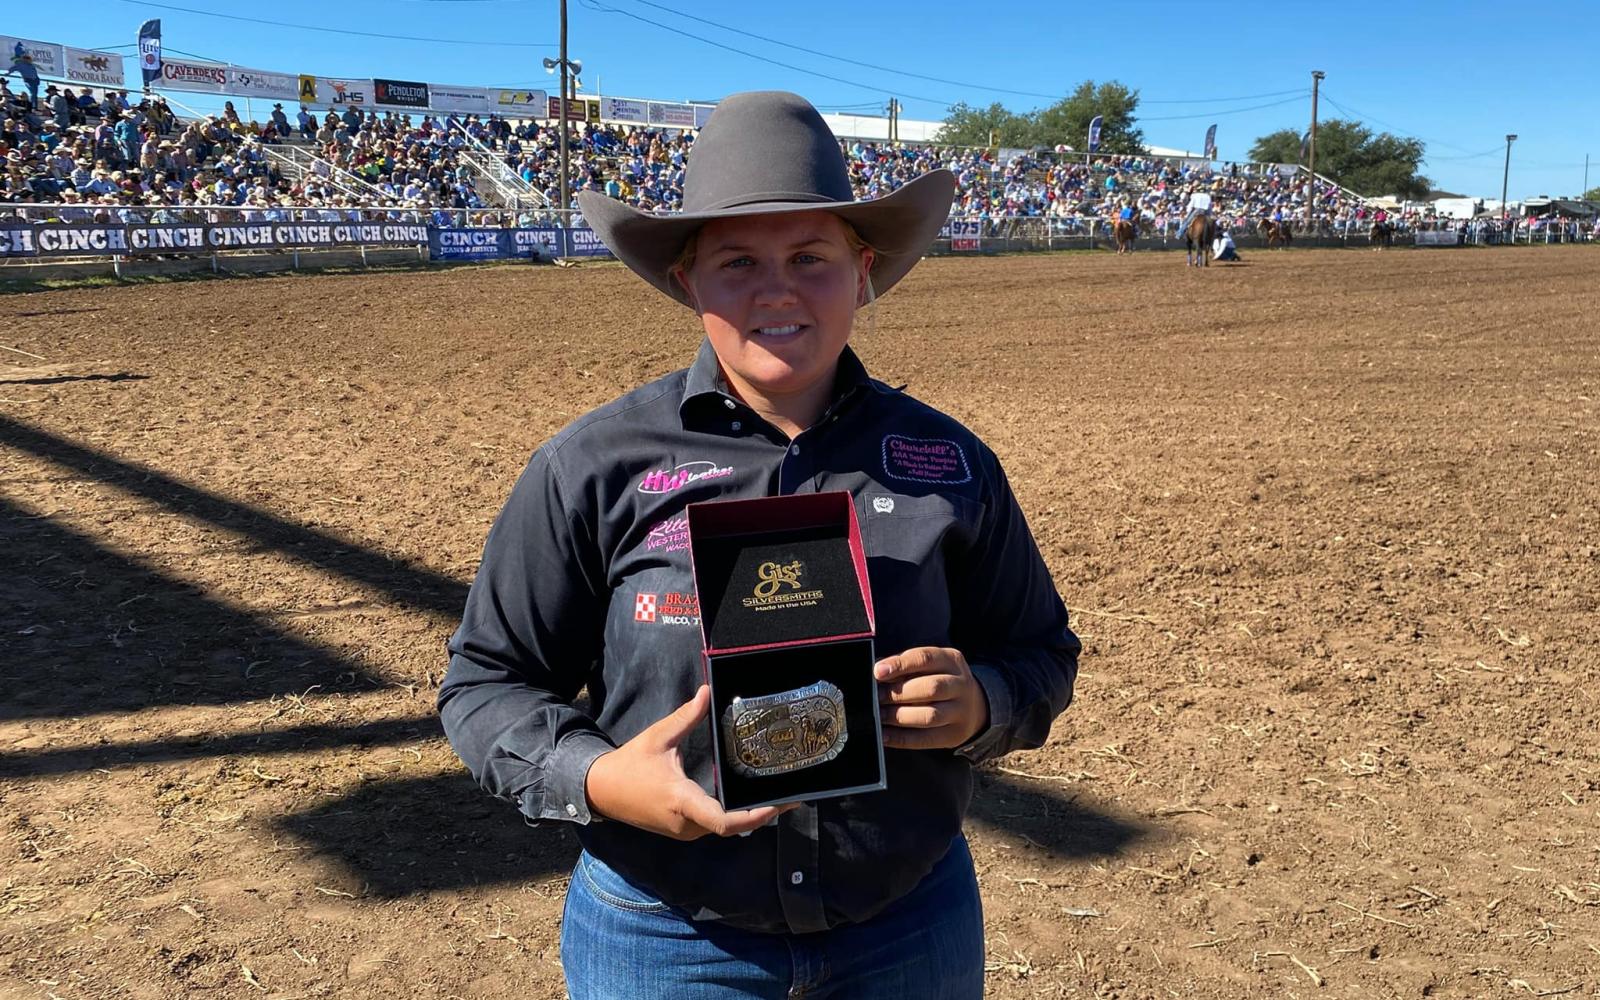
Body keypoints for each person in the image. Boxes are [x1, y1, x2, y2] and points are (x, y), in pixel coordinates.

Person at [438, 91, 1079, 1000]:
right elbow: (486, 683)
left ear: (862, 271)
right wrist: (599, 776)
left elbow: (1042, 652)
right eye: (738, 260)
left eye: (809, 257)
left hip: (908, 928)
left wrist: (984, 702)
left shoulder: (951, 465)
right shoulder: (593, 464)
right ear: (686, 281)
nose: (777, 289)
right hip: (664, 936)